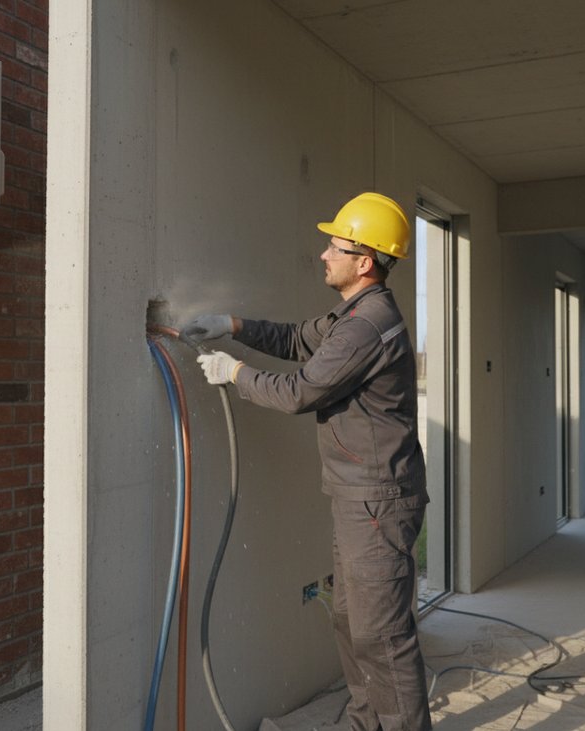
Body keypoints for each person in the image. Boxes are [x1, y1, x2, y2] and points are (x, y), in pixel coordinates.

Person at [181, 192, 431, 731]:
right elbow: (298, 341)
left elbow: (301, 391)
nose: (323, 254)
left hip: (377, 501)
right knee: (350, 621)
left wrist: (235, 374)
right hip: (357, 497)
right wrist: (234, 324)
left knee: (381, 635)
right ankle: (367, 724)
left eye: (334, 246)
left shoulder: (368, 326)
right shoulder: (354, 315)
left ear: (364, 262)